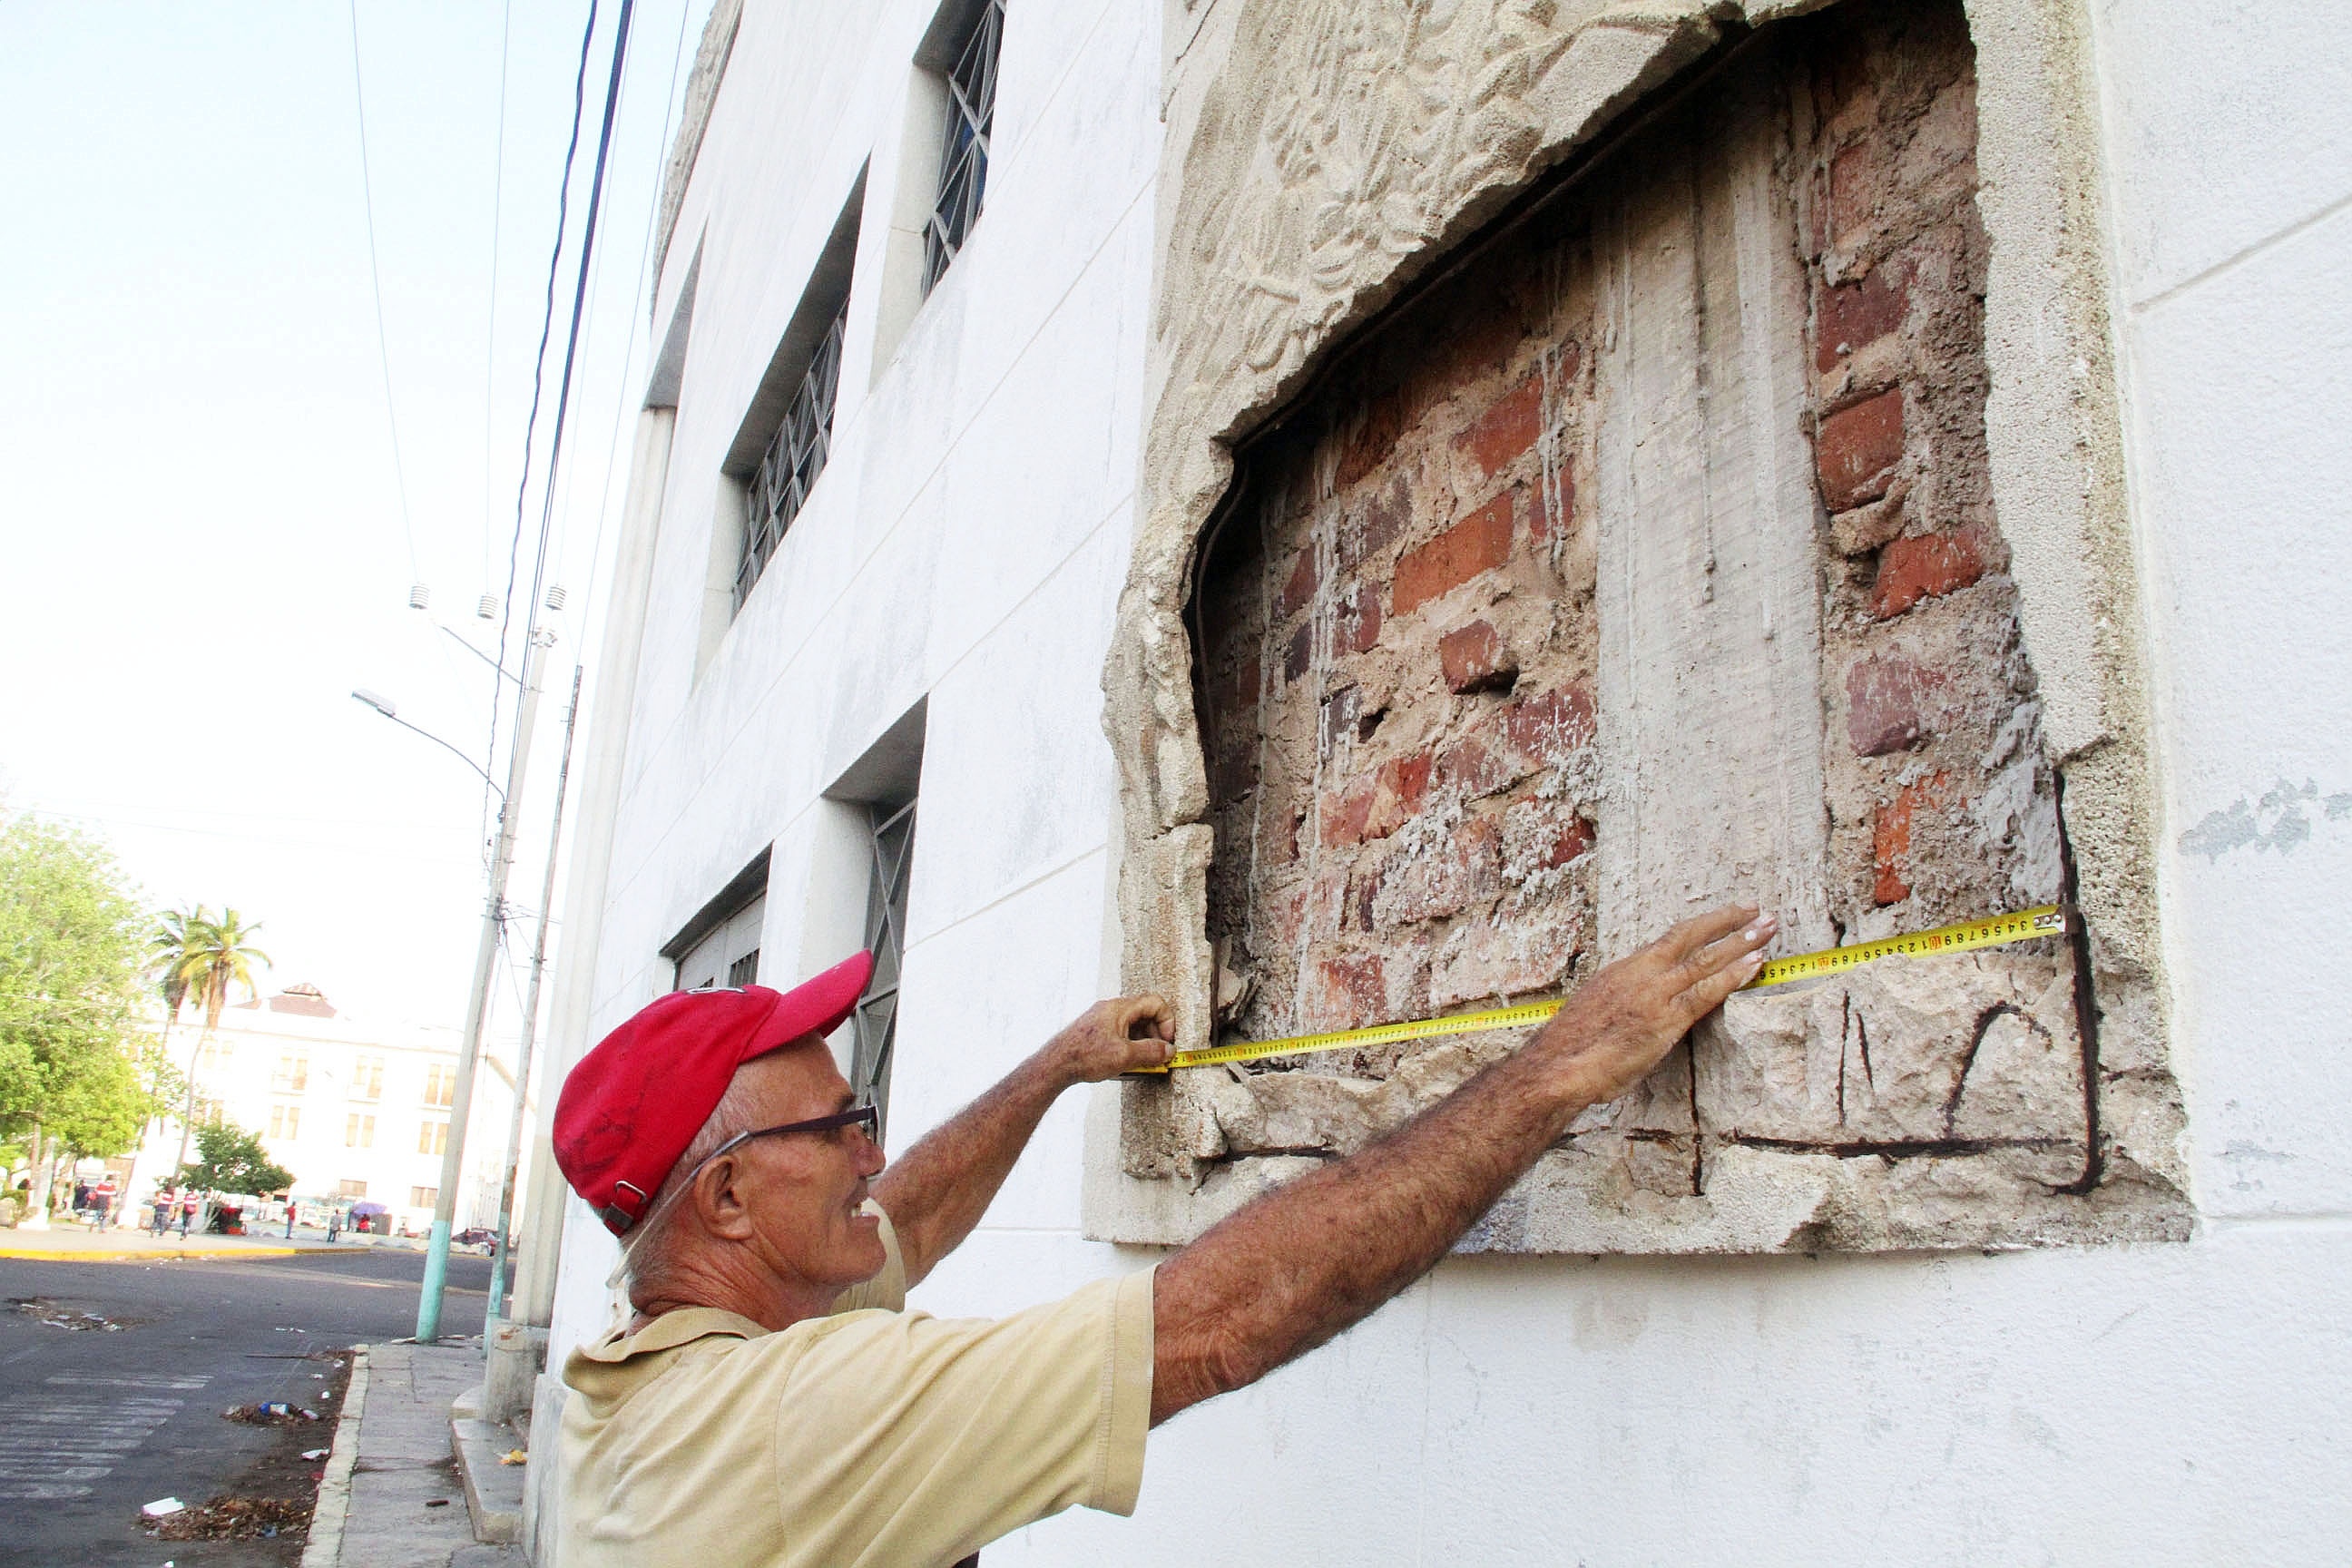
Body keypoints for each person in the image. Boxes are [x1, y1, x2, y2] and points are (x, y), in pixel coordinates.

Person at [549, 905, 1776, 1566]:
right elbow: (1219, 1322)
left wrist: (1057, 1067)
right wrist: (1557, 1070)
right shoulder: (787, 1420)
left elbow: (900, 1215)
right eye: (841, 1126)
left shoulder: (685, 1349)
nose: (870, 1152)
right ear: (724, 1201)